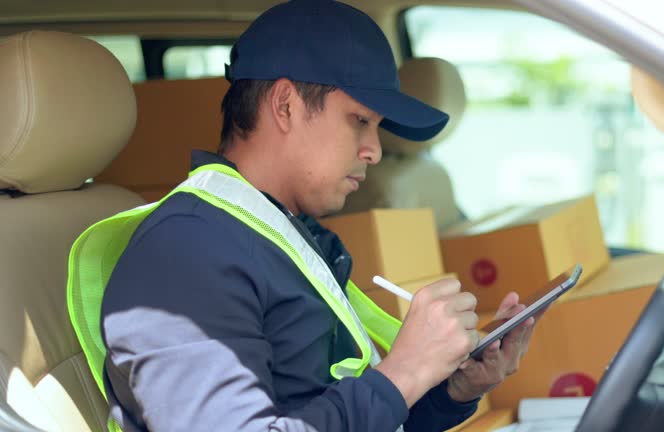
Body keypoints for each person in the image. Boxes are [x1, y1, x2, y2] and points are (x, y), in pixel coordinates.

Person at [96, 1, 537, 431]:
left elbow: (335, 412)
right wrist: (404, 371)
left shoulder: (286, 236)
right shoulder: (185, 253)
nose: (375, 150)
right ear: (286, 105)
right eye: (359, 121)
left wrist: (451, 389)